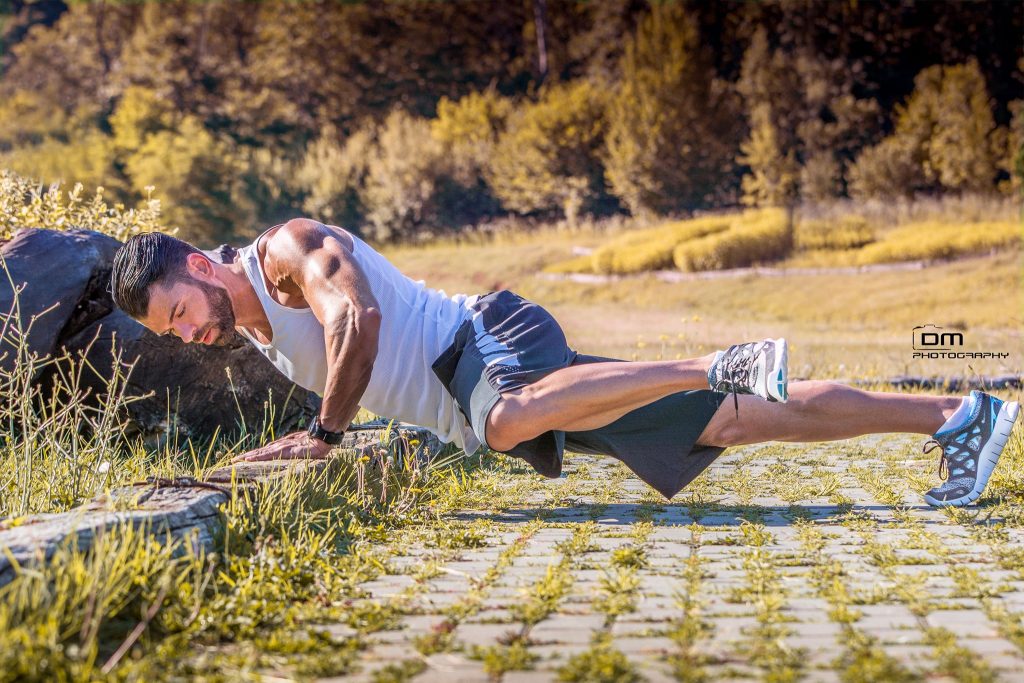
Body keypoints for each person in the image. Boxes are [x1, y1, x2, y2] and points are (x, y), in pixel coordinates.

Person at [110, 218, 1020, 507]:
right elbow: (350, 369)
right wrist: (288, 450)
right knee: (742, 423)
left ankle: (710, 359)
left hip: (489, 347)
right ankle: (958, 417)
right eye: (173, 333)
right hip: (490, 391)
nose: (189, 334)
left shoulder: (285, 252)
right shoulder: (252, 325)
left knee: (508, 420)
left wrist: (322, 434)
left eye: (180, 314)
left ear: (197, 265)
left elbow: (362, 316)